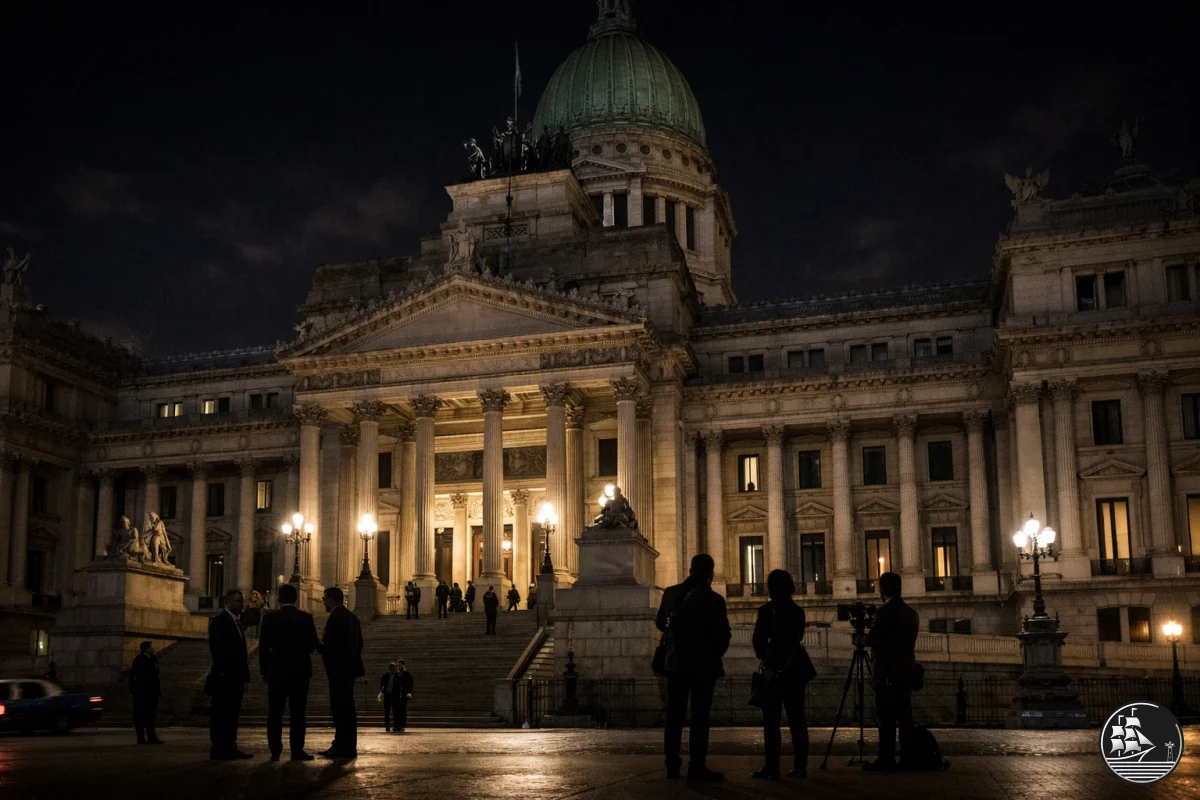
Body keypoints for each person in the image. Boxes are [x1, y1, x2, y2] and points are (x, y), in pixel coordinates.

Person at [656, 553, 731, 782]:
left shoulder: (670, 593)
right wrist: (712, 654)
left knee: (674, 717)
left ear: (690, 570)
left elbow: (660, 624)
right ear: (710, 574)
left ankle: (672, 766)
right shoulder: (715, 600)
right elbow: (724, 636)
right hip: (703, 667)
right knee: (700, 718)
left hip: (676, 665)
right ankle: (697, 766)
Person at [858, 571, 920, 772]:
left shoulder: (884, 612)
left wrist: (861, 638)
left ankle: (886, 758)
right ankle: (908, 757)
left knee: (886, 719)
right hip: (906, 672)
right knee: (905, 718)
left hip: (886, 673)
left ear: (882, 589)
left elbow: (872, 640)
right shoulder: (912, 613)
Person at [751, 570, 808, 780]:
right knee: (797, 720)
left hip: (773, 671)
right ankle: (800, 766)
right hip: (795, 670)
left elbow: (758, 641)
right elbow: (797, 638)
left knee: (771, 723)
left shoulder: (767, 610)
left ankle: (772, 766)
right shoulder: (798, 611)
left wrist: (765, 660)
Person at [258, 582, 320, 761]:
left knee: (275, 712)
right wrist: (301, 653)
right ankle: (296, 750)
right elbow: (312, 644)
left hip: (276, 671)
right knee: (298, 712)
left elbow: (263, 647)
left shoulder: (270, 619)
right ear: (296, 599)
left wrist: (265, 670)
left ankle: (275, 750)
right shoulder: (305, 618)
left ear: (279, 599)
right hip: (300, 671)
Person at [320, 587, 364, 759]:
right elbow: (359, 643)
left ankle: (340, 746)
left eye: (324, 599)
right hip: (349, 669)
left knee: (339, 708)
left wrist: (319, 647)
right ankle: (348, 746)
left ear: (331, 600)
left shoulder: (335, 618)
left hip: (338, 670)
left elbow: (330, 645)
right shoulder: (352, 617)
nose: (323, 601)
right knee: (348, 709)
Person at [208, 589, 252, 760]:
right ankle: (219, 748)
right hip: (224, 677)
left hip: (235, 678)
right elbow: (218, 651)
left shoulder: (236, 622)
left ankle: (230, 746)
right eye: (238, 602)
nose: (242, 605)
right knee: (221, 715)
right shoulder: (220, 622)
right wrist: (230, 673)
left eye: (242, 601)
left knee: (232, 715)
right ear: (228, 602)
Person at [129, 641, 163, 745]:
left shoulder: (153, 659)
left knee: (151, 716)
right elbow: (133, 677)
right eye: (152, 646)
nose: (154, 648)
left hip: (152, 693)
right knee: (140, 717)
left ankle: (152, 737)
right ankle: (141, 738)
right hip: (142, 693)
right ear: (147, 648)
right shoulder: (139, 660)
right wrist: (133, 691)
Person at [381, 660, 415, 733]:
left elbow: (407, 684)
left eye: (399, 665)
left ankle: (399, 726)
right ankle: (391, 726)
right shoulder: (388, 675)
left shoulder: (402, 674)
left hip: (398, 696)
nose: (397, 667)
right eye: (398, 665)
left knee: (398, 711)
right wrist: (382, 692)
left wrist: (409, 692)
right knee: (389, 712)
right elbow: (382, 684)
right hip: (389, 696)